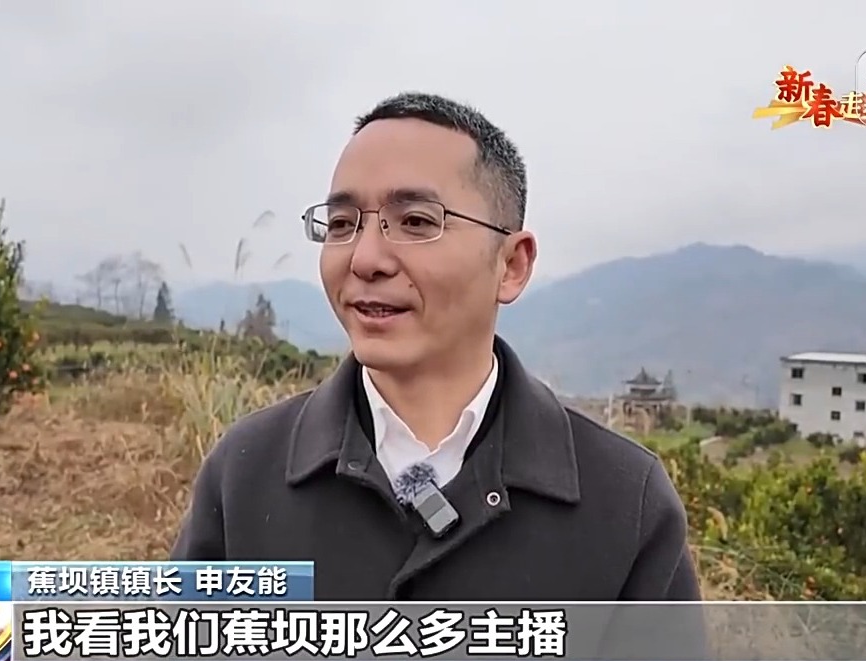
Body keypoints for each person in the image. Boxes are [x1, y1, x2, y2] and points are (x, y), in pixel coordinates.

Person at [171, 92, 702, 604]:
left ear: (511, 265)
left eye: (416, 222)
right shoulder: (246, 472)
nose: (365, 259)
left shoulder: (624, 499)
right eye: (341, 224)